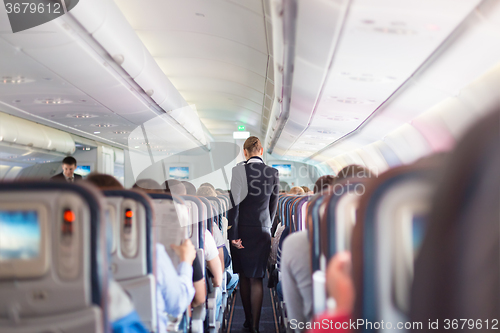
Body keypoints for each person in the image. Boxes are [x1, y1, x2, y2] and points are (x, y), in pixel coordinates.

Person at [228, 136, 279, 333]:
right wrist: (267, 227)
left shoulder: (238, 171)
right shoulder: (272, 172)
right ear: (262, 150)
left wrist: (234, 234)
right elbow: (273, 206)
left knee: (244, 277)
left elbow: (234, 206)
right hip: (262, 231)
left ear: (245, 152)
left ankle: (248, 322)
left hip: (242, 231)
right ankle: (256, 327)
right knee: (257, 278)